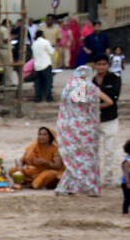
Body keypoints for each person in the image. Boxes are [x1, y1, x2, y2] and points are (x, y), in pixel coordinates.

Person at [55, 66, 103, 197]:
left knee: (73, 158)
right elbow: (81, 102)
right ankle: (89, 186)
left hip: (67, 127)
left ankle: (68, 186)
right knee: (87, 158)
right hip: (84, 128)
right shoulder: (85, 86)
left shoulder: (68, 86)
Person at [91, 54, 121, 187]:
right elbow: (79, 100)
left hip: (109, 119)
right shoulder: (90, 80)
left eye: (104, 64)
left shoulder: (114, 78)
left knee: (109, 150)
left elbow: (113, 99)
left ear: (108, 65)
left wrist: (96, 103)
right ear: (95, 65)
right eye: (99, 64)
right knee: (93, 151)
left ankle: (108, 179)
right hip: (93, 120)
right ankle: (94, 178)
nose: (101, 67)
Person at [31, 32, 55, 103]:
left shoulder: (34, 44)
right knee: (48, 82)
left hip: (37, 65)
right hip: (45, 64)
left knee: (38, 83)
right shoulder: (45, 42)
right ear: (42, 35)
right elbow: (51, 52)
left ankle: (38, 97)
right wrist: (53, 47)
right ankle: (49, 97)